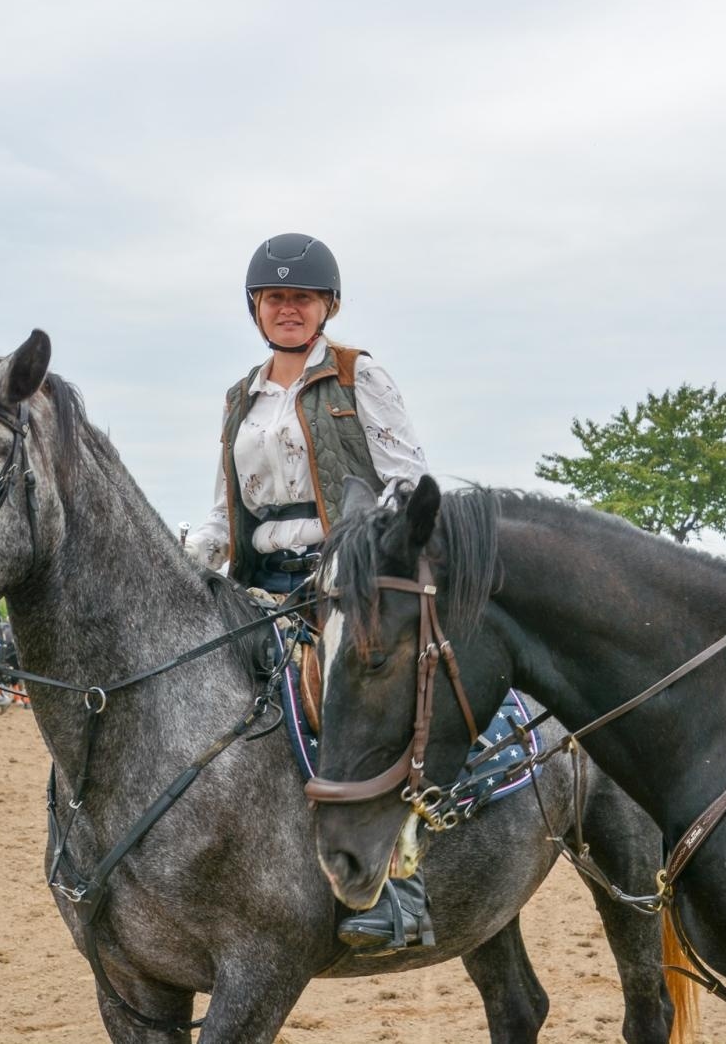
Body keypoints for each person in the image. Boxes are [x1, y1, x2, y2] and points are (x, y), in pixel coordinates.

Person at [184, 232, 433, 953]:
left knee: (346, 701)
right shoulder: (241, 396)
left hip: (342, 576)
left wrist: (367, 547)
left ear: (327, 306)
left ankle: (397, 889)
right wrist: (193, 557)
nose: (287, 309)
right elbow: (223, 506)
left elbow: (408, 479)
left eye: (301, 298)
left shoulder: (359, 377)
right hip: (260, 580)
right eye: (274, 299)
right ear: (256, 309)